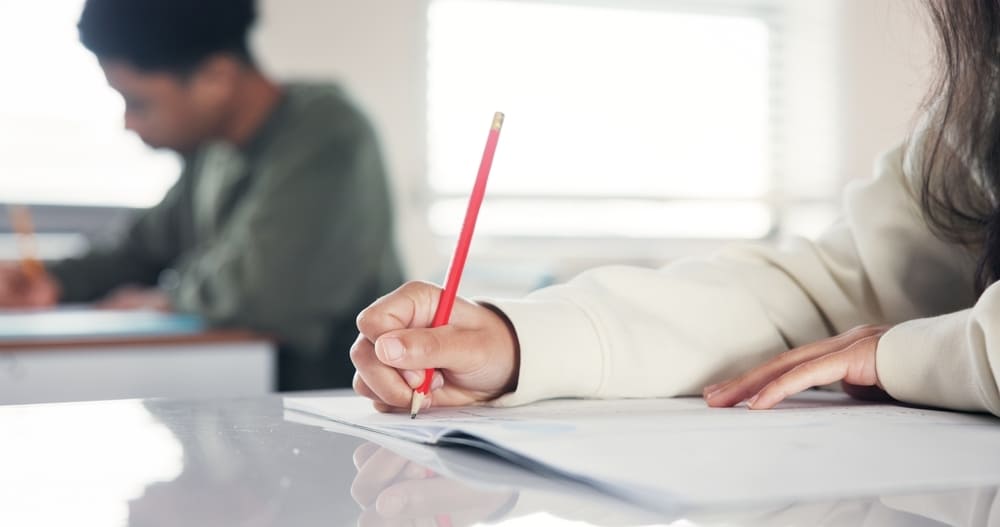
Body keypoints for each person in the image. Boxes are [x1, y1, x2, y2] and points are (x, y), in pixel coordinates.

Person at [350, 0, 1000, 417]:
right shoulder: (976, 114)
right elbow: (820, 297)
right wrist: (517, 342)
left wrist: (899, 355)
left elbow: (870, 337)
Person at [0, 0, 404, 390]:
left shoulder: (327, 134)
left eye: (138, 102)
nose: (128, 123)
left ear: (216, 77)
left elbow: (263, 291)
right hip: (241, 414)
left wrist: (164, 300)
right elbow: (140, 249)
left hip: (340, 413)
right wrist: (50, 280)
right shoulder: (213, 149)